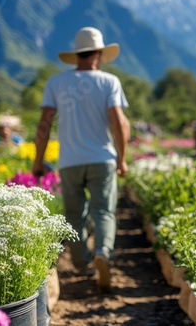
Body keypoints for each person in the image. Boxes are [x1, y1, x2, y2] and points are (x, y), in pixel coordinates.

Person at [32, 27, 130, 292]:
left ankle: (80, 259)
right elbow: (119, 123)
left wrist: (38, 160)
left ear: (77, 56)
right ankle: (102, 252)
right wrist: (122, 159)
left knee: (74, 214)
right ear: (99, 54)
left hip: (70, 161)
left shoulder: (56, 83)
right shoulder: (109, 82)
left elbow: (44, 125)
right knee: (103, 211)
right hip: (102, 159)